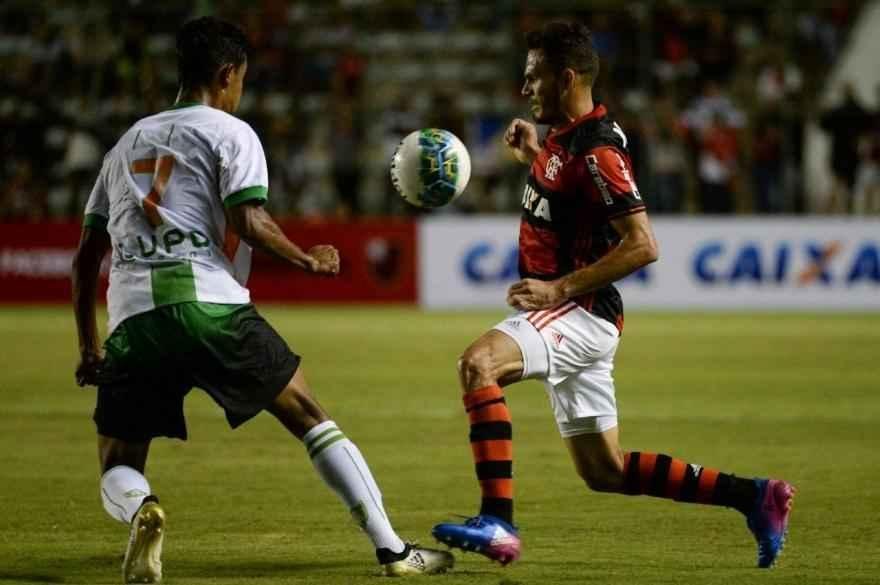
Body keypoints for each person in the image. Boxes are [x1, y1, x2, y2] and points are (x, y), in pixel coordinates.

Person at [71, 16, 453, 583]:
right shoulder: (231, 132)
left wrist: (89, 347)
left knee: (118, 463)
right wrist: (308, 259)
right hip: (213, 309)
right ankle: (394, 551)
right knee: (311, 417)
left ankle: (143, 510)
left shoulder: (124, 144)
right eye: (241, 79)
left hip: (135, 321)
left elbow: (84, 260)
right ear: (227, 74)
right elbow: (250, 221)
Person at [432, 21, 795, 569]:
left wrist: (557, 287)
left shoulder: (599, 152)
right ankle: (756, 496)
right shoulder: (565, 138)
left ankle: (498, 521)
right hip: (583, 317)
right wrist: (536, 154)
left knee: (477, 363)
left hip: (576, 310)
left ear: (567, 77)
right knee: (605, 471)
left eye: (533, 77)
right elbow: (568, 193)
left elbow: (642, 245)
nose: (524, 88)